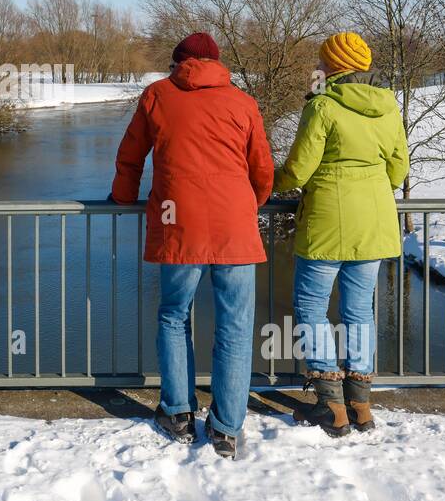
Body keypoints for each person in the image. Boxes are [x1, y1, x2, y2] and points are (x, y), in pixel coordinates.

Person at [110, 32, 274, 459]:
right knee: (236, 327)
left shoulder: (157, 95)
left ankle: (179, 412)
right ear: (218, 63)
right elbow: (262, 167)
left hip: (177, 222)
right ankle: (225, 427)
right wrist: (247, 204)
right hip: (234, 227)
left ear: (177, 62)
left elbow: (131, 155)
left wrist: (124, 196)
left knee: (173, 315)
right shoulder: (243, 102)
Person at [274, 32, 409, 437]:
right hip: (373, 223)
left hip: (328, 223)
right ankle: (361, 406)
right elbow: (399, 169)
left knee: (313, 309)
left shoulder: (322, 107)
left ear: (332, 66)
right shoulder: (388, 108)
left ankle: (331, 405)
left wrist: (269, 184)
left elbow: (299, 170)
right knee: (359, 312)